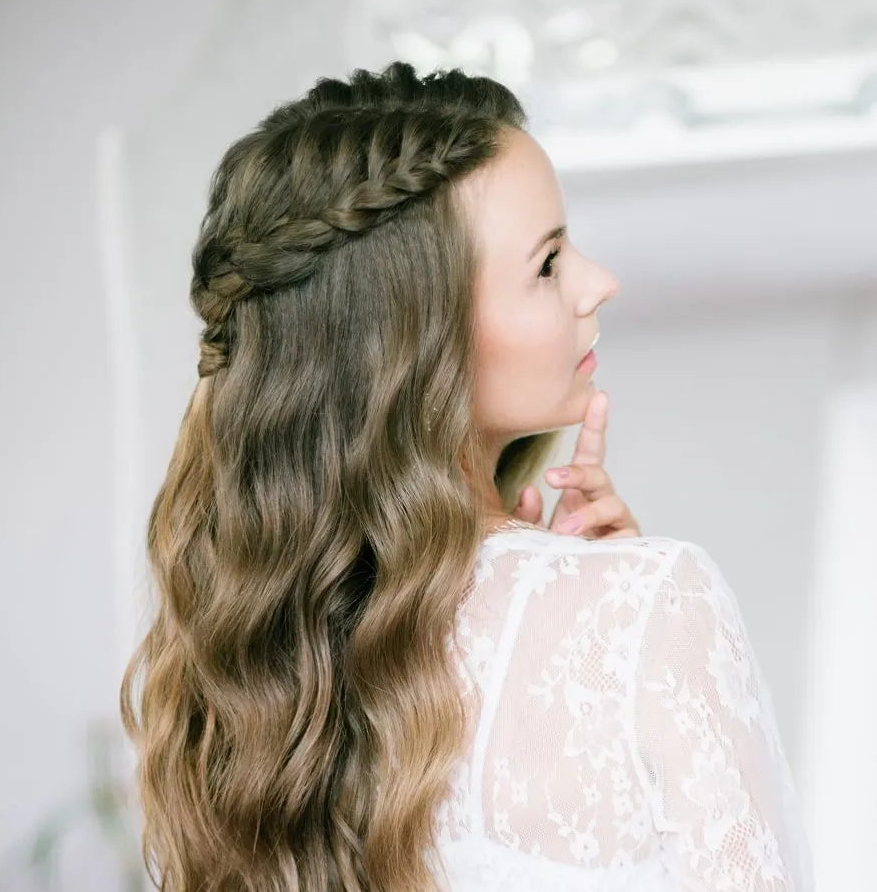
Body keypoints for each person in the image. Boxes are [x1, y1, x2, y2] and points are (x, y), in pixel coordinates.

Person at [120, 62, 813, 892]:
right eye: (548, 264)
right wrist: (632, 614)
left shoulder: (241, 679)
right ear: (418, 344)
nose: (599, 282)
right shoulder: (660, 603)